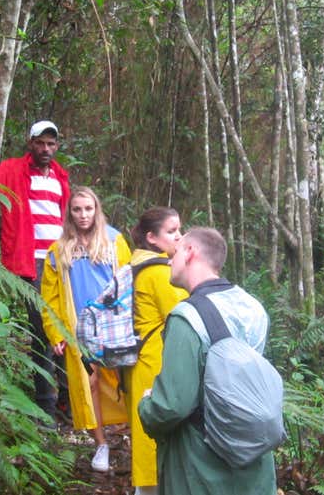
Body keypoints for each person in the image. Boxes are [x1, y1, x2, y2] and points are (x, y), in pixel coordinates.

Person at [138, 227, 276, 495]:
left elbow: (172, 406)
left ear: (190, 252)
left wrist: (146, 405)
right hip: (253, 455)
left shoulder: (187, 317)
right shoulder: (252, 306)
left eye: (175, 254)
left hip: (202, 464)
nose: (169, 261)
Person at [0, 120, 70, 422]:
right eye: (40, 143)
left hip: (61, 263)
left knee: (66, 330)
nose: (46, 149)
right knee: (43, 332)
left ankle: (67, 403)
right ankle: (45, 407)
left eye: (51, 144)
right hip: (32, 264)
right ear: (30, 143)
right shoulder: (13, 171)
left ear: (56, 146)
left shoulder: (60, 177)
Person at [40, 186, 131, 472]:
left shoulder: (114, 241)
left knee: (125, 380)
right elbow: (50, 297)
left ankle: (136, 434)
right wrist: (56, 333)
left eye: (88, 209)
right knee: (88, 385)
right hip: (79, 329)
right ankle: (101, 444)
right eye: (77, 209)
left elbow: (129, 282)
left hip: (113, 325)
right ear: (69, 212)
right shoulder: (59, 249)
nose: (83, 215)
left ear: (96, 210)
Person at [124, 207, 188, 495]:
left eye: (179, 230)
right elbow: (184, 313)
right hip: (155, 361)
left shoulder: (137, 263)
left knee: (145, 439)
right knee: (154, 441)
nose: (179, 236)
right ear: (151, 237)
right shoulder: (158, 272)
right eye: (172, 231)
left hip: (141, 361)